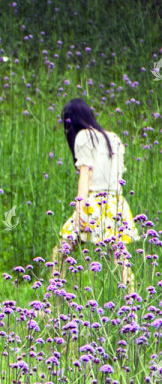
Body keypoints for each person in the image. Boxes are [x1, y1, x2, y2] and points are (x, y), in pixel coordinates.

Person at [52, 98, 139, 291]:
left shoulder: (84, 137)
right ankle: (133, 305)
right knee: (120, 260)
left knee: (61, 253)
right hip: (117, 204)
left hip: (94, 204)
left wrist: (79, 207)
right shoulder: (114, 138)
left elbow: (85, 174)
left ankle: (53, 307)